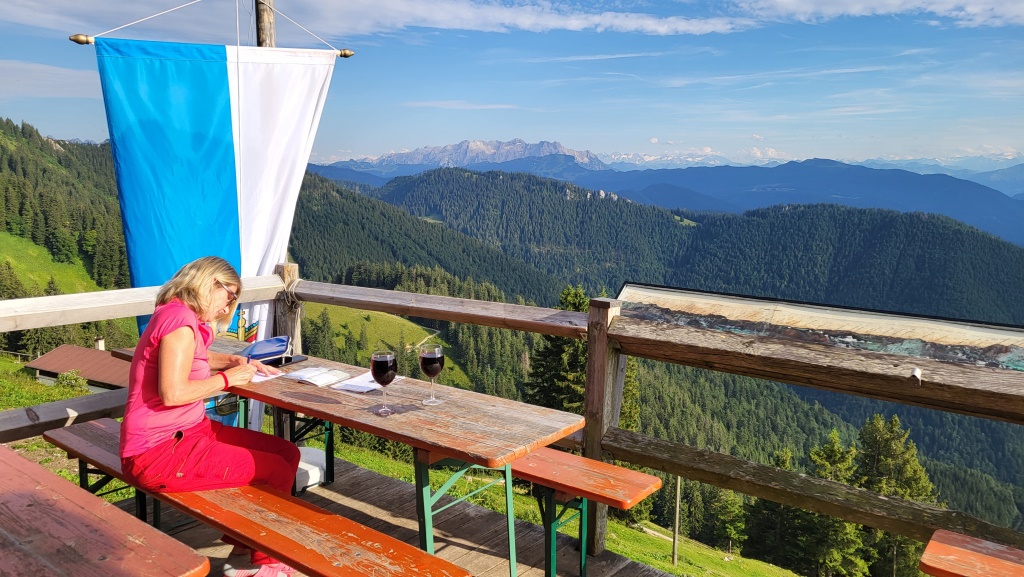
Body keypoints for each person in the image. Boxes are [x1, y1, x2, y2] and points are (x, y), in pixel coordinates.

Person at [119, 256, 301, 577]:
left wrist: (231, 359)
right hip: (158, 451)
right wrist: (229, 379)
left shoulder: (178, 314)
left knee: (286, 452)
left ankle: (246, 543)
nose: (226, 308)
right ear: (209, 282)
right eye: (228, 296)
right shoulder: (179, 323)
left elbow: (194, 356)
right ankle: (267, 564)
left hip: (187, 433)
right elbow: (172, 393)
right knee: (272, 470)